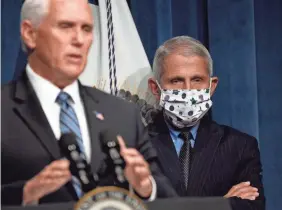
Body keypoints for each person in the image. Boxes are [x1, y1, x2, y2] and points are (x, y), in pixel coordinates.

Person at [1, 0, 176, 206]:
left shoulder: (122, 113)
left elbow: (168, 201)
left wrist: (146, 188)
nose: (79, 40)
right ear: (30, 34)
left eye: (86, 29)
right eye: (65, 26)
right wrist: (25, 193)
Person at [147, 36, 265, 210]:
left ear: (211, 86)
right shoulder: (132, 146)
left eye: (197, 80)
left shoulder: (240, 147)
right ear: (156, 88)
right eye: (176, 81)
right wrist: (220, 204)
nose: (187, 90)